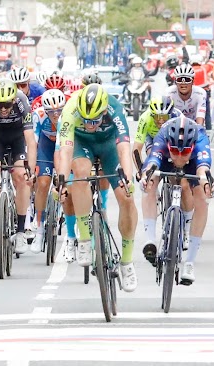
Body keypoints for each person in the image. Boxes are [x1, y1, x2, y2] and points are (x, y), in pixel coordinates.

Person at [57, 84, 138, 292]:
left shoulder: (115, 109)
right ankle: (84, 238)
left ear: (103, 111)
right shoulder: (70, 110)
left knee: (127, 198)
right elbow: (65, 152)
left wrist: (127, 179)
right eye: (85, 120)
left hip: (109, 145)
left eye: (94, 120)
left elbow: (123, 149)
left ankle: (127, 262)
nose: (90, 124)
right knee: (81, 173)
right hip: (81, 144)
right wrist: (62, 181)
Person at [140, 116, 214, 285]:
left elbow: (203, 169)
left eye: (184, 152)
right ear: (168, 145)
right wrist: (146, 178)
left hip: (193, 163)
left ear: (193, 146)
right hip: (165, 160)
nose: (179, 157)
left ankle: (189, 263)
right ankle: (150, 239)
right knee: (151, 183)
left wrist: (207, 184)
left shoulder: (200, 138)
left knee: (202, 198)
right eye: (175, 151)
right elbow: (152, 162)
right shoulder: (163, 135)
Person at [0, 80, 36, 254]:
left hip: (18, 138)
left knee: (21, 177)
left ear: (13, 100)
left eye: (7, 105)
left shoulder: (22, 102)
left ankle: (20, 232)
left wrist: (30, 170)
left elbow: (31, 142)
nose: (3, 109)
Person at [134, 96, 183, 250]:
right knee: (151, 177)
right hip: (153, 142)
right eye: (157, 117)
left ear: (171, 114)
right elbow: (136, 149)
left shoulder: (178, 117)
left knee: (180, 178)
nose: (160, 121)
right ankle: (150, 239)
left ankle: (183, 226)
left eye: (164, 117)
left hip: (174, 142)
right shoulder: (145, 118)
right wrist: (141, 172)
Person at [30, 89, 66, 253]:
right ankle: (39, 229)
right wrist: (30, 167)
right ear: (45, 110)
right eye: (51, 112)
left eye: (59, 110)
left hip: (64, 144)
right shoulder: (38, 115)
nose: (56, 114)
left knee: (66, 181)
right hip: (45, 144)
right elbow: (33, 142)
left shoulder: (68, 116)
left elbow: (62, 146)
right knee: (43, 182)